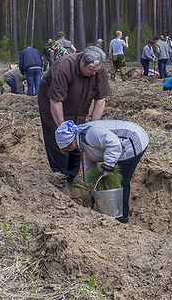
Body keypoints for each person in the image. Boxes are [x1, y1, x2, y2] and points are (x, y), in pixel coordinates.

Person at [37, 46, 109, 193]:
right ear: (82, 61)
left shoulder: (99, 70)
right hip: (54, 108)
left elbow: (101, 99)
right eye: (91, 71)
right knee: (60, 142)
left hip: (79, 109)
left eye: (96, 71)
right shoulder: (63, 67)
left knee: (79, 140)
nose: (93, 74)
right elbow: (56, 101)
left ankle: (71, 176)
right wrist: (62, 129)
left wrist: (93, 127)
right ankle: (61, 178)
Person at [55, 119, 149, 223]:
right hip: (122, 144)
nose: (71, 150)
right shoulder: (81, 140)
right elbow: (88, 164)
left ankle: (121, 217)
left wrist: (108, 165)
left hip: (132, 140)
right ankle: (111, 212)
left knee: (120, 182)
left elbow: (114, 143)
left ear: (72, 141)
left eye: (69, 147)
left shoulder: (90, 134)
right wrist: (91, 187)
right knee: (112, 180)